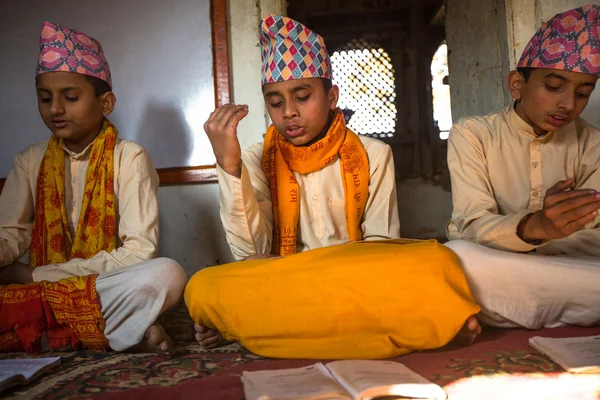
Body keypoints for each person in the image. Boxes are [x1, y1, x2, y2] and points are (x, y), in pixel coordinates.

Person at [188, 14, 481, 356]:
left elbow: (381, 249)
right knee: (202, 285)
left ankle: (253, 327)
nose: (289, 113)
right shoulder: (255, 158)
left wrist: (336, 273)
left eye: (302, 96)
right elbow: (250, 254)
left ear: (331, 97)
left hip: (356, 282)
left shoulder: (373, 153)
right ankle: (411, 324)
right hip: (288, 283)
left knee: (437, 258)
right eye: (276, 102)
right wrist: (229, 165)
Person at [0, 21, 186, 355]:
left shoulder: (129, 158)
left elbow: (139, 253)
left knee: (167, 274)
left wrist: (35, 276)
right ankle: (115, 330)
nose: (55, 108)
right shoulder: (30, 160)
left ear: (106, 103)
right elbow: (11, 234)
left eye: (70, 97)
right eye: (45, 98)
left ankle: (54, 333)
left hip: (92, 286)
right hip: (38, 292)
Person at [446, 4, 600, 329]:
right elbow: (469, 226)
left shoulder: (592, 142)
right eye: (554, 87)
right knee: (459, 256)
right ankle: (565, 311)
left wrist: (548, 239)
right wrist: (535, 227)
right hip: (501, 268)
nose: (568, 105)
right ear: (517, 84)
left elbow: (596, 237)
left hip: (572, 270)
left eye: (583, 93)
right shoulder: (474, 134)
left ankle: (525, 312)